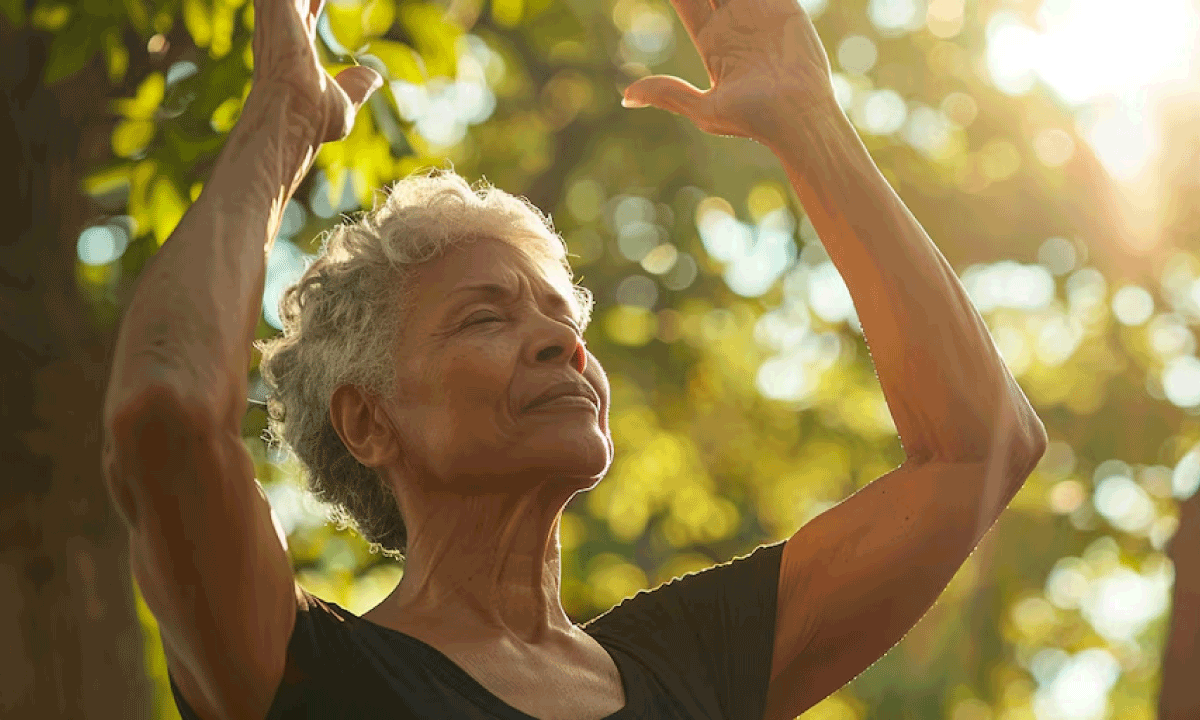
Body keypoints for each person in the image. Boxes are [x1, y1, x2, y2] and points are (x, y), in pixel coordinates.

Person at [100, 0, 1048, 717]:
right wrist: (281, 122)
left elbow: (982, 449)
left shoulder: (696, 659)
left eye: (561, 314)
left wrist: (811, 125)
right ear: (368, 419)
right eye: (485, 318)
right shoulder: (309, 670)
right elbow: (163, 412)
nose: (561, 340)